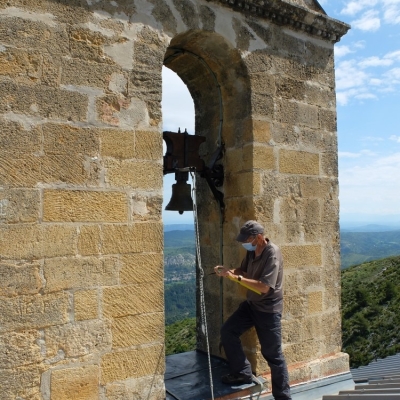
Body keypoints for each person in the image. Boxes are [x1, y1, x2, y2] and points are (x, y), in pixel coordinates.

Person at [214, 220, 292, 400]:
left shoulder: (272, 253)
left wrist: (237, 278)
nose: (244, 243)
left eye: (247, 240)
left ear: (258, 237)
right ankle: (242, 373)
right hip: (252, 305)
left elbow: (265, 287)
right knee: (228, 331)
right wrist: (228, 271)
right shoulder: (252, 252)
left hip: (268, 310)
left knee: (273, 355)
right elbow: (243, 270)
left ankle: (283, 397)